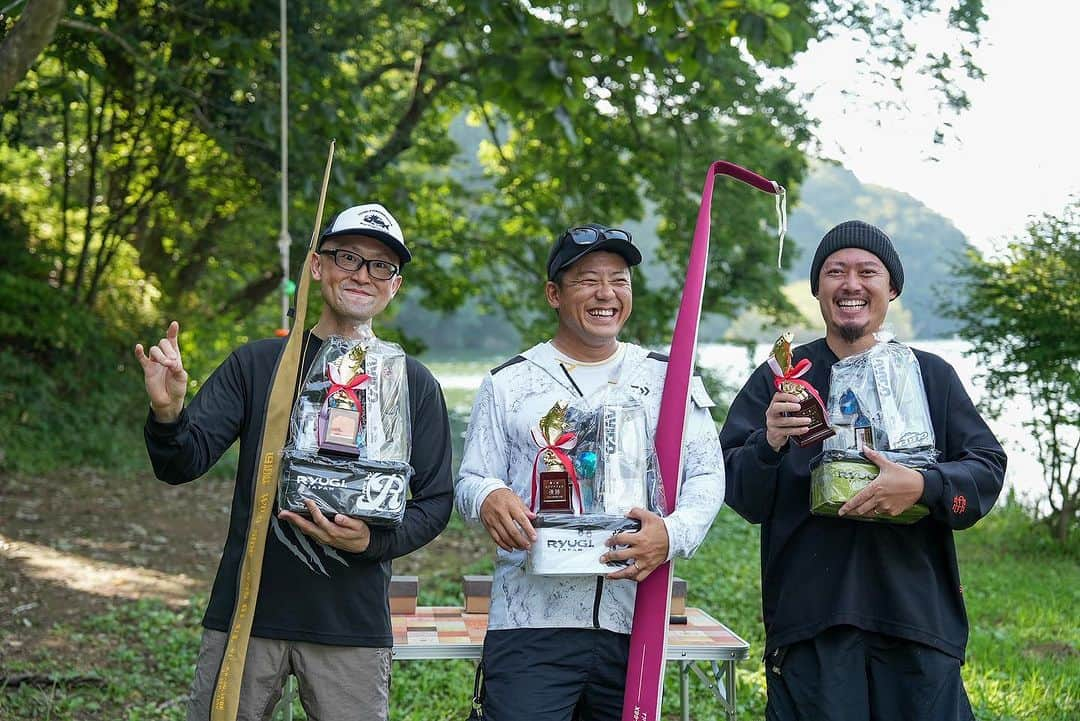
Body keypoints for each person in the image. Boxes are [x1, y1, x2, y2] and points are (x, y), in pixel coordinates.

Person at [135, 203, 454, 721]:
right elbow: (182, 463)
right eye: (348, 257)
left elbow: (437, 501)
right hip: (247, 611)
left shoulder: (410, 382)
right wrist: (168, 413)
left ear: (394, 285)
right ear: (316, 265)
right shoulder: (258, 363)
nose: (362, 274)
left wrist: (372, 541)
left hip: (350, 621)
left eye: (381, 266)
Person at [720, 220, 1007, 721]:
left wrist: (924, 485)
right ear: (817, 290)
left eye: (867, 271)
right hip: (811, 625)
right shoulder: (782, 380)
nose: (851, 284)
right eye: (835, 271)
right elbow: (739, 492)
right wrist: (768, 442)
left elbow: (985, 470)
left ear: (891, 287)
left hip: (917, 620)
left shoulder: (929, 375)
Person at [454, 224, 725, 721]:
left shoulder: (668, 378)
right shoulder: (509, 382)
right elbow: (470, 479)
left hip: (634, 619)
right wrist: (489, 494)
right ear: (554, 294)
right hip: (529, 622)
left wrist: (671, 533)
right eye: (588, 280)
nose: (607, 294)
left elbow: (707, 475)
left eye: (619, 280)